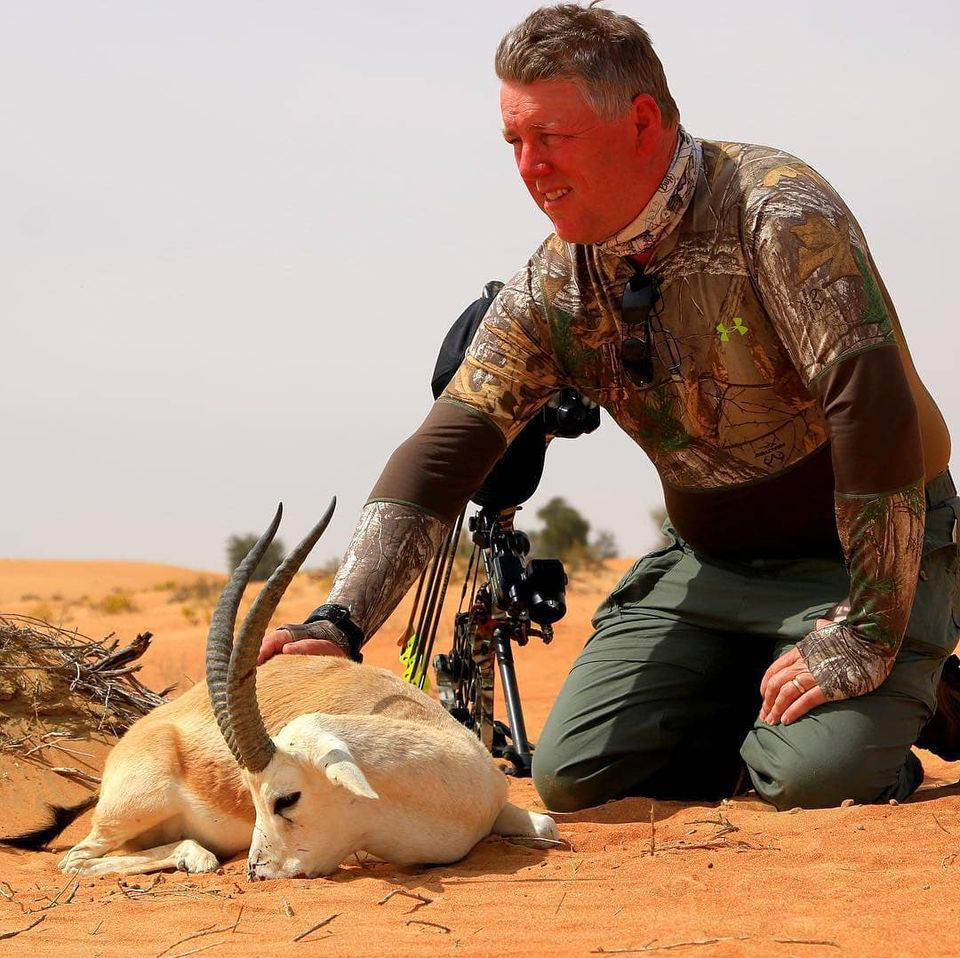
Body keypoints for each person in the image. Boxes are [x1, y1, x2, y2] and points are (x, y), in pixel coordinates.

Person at [259, 4, 959, 810]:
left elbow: (871, 409)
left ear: (642, 121)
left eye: (550, 138)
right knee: (578, 779)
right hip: (713, 567)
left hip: (865, 560)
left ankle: (914, 683)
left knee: (815, 781)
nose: (528, 166)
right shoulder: (553, 283)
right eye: (513, 143)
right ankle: (780, 704)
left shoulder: (777, 211)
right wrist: (338, 623)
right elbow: (446, 452)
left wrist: (871, 627)